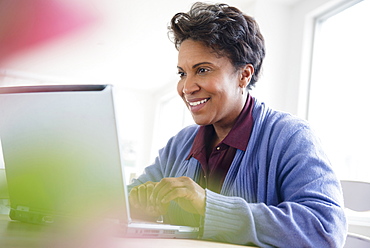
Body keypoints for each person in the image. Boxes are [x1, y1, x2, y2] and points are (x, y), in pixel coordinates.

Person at [128, 2, 347, 247]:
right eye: (182, 73)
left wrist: (209, 206)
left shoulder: (291, 136)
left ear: (244, 75)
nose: (186, 88)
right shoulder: (180, 144)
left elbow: (325, 229)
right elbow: (124, 200)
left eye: (202, 70)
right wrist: (138, 204)